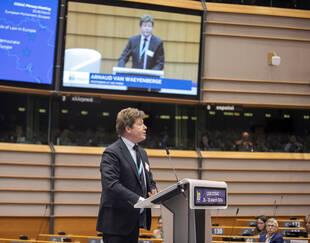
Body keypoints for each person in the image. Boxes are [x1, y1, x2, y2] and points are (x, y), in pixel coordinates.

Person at [96, 107, 157, 243]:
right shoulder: (112, 153)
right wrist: (138, 200)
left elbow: (149, 180)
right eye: (140, 124)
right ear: (128, 128)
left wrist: (153, 191)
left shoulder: (142, 153)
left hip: (134, 223)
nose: (145, 127)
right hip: (115, 225)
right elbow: (111, 184)